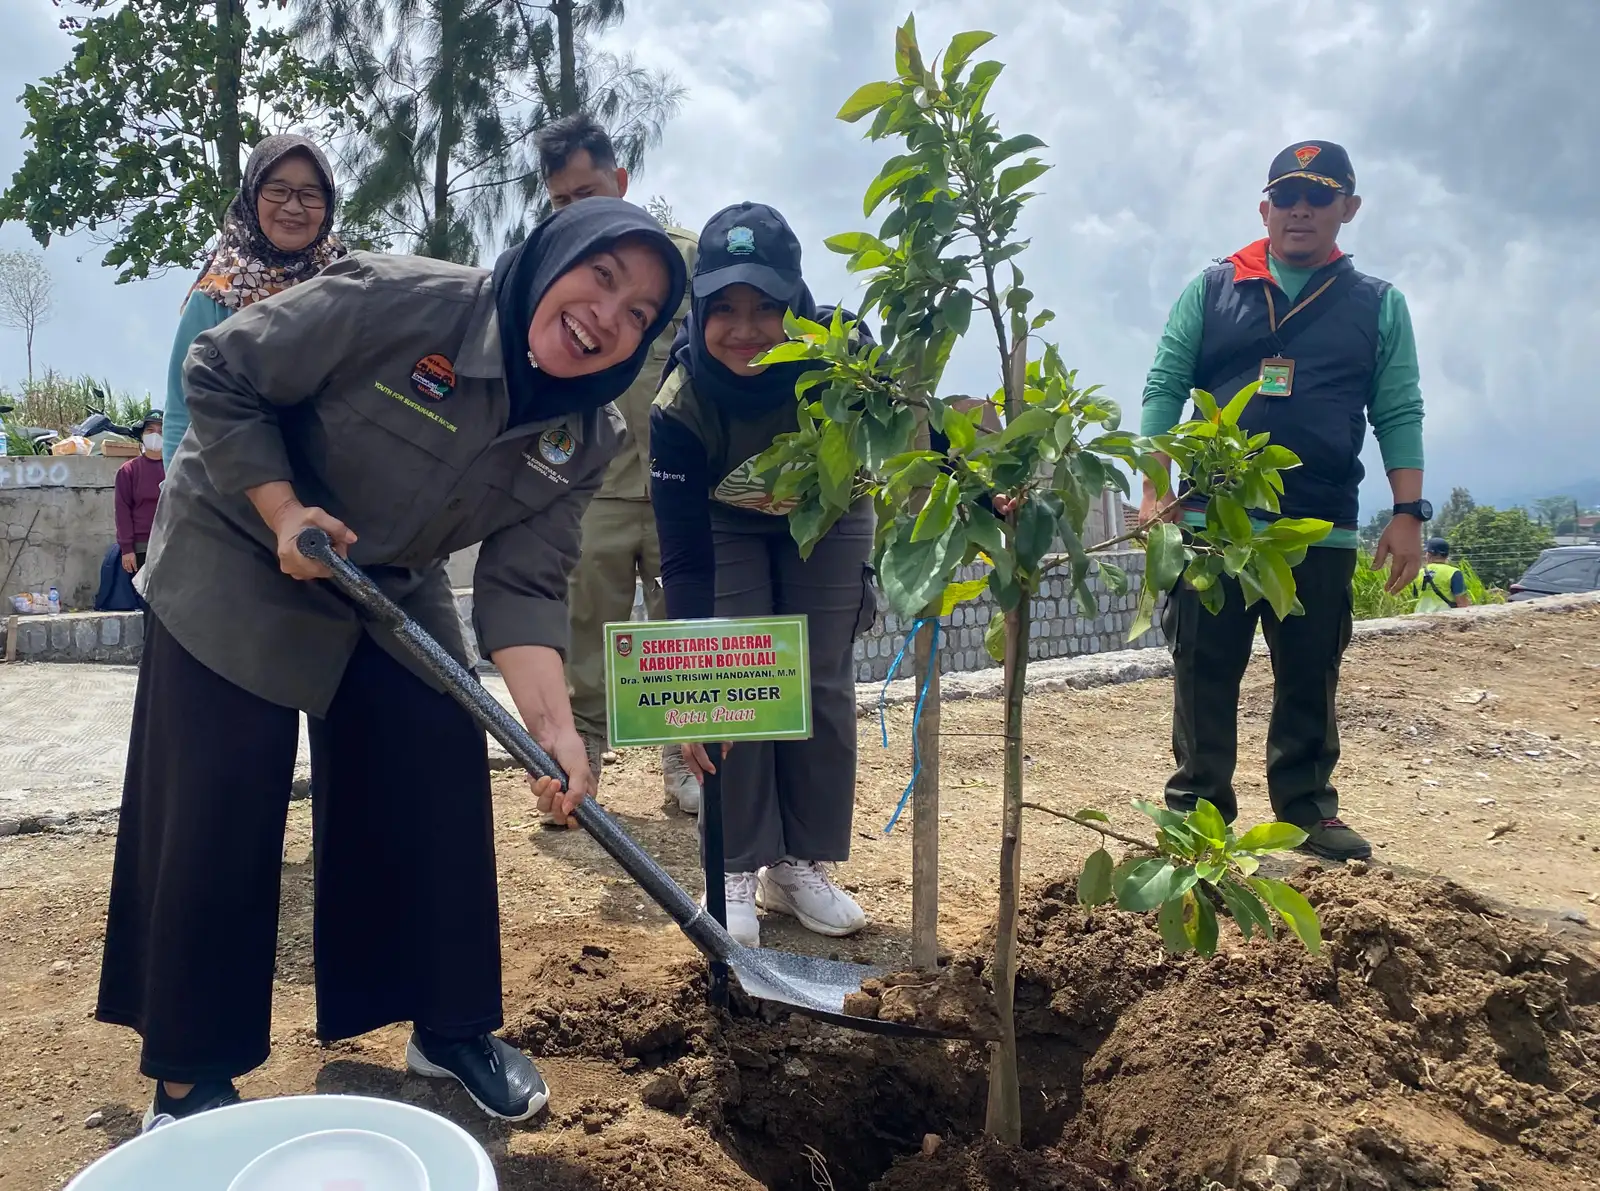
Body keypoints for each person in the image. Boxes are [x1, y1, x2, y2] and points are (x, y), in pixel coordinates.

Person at [96, 198, 687, 1129]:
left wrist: (558, 730)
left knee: (434, 766)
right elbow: (222, 369)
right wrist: (285, 510)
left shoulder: (589, 437)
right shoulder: (399, 301)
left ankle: (446, 1029)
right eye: (602, 278)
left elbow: (525, 586)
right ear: (547, 258)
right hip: (241, 542)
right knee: (219, 798)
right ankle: (189, 1076)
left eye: (641, 314)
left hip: (384, 573)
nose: (608, 316)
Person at [1138, 141, 1427, 863]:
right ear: (1264, 207)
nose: (1301, 209)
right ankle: (1198, 816)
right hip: (1212, 527)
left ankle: (1306, 809)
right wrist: (1153, 488)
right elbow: (1163, 387)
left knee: (1309, 673)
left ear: (1347, 211)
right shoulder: (1212, 289)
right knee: (1203, 673)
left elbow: (1399, 410)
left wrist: (1407, 512)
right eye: (1288, 195)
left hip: (1316, 529)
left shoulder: (1378, 305)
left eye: (1319, 197)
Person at [650, 202, 877, 948]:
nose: (744, 330)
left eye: (766, 308)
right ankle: (737, 866)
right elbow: (681, 556)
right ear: (700, 309)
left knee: (817, 678)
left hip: (828, 514)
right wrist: (689, 674)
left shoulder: (842, 357)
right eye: (725, 309)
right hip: (724, 523)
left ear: (797, 301)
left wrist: (976, 488)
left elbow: (916, 424)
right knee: (736, 680)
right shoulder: (680, 405)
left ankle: (796, 862)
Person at [535, 112, 702, 814]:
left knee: (682, 630)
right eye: (562, 203)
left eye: (590, 191)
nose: (579, 210)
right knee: (584, 631)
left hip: (679, 486)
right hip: (593, 485)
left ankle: (685, 766)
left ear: (622, 180)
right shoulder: (552, 274)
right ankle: (581, 773)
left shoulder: (686, 260)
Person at [162, 135, 348, 468]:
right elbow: (181, 412)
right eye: (277, 190)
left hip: (338, 488)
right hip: (235, 491)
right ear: (251, 193)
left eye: (310, 194)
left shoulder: (348, 285)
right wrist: (176, 503)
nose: (293, 207)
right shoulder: (218, 295)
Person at [114, 413, 165, 576]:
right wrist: (127, 549)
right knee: (142, 598)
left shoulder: (176, 468)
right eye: (150, 430)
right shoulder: (129, 470)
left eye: (161, 431)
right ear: (142, 435)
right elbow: (122, 511)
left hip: (171, 544)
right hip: (141, 546)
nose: (156, 435)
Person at [1411, 537, 1469, 611]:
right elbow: (1462, 604)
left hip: (1420, 616)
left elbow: (1416, 596)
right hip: (1445, 618)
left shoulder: (1418, 573)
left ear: (1428, 555)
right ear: (1447, 555)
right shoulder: (1454, 572)